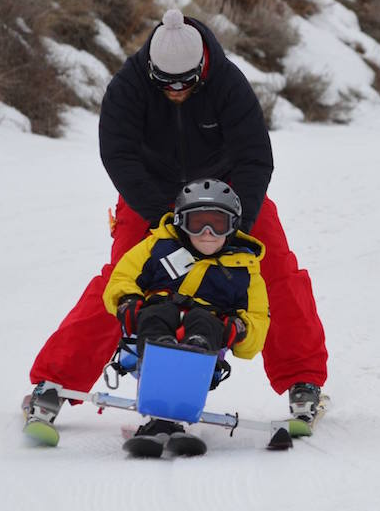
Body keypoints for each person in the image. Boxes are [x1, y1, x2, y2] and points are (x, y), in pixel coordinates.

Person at [26, 8, 327, 429]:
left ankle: (303, 379)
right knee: (121, 277)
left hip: (228, 197)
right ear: (152, 70)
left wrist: (233, 223)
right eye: (167, 84)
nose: (177, 91)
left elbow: (255, 158)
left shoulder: (227, 82)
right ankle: (54, 382)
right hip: (153, 197)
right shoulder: (128, 87)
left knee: (274, 268)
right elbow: (119, 156)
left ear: (202, 67)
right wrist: (164, 220)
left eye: (187, 82)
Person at [105, 178, 269, 440]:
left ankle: (194, 353)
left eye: (217, 224)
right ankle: (163, 350)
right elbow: (123, 277)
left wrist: (238, 329)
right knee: (157, 315)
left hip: (209, 324)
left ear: (232, 227)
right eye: (198, 223)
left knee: (204, 323)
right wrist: (127, 302)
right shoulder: (158, 246)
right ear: (182, 223)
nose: (207, 232)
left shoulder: (244, 269)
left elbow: (258, 319)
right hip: (158, 313)